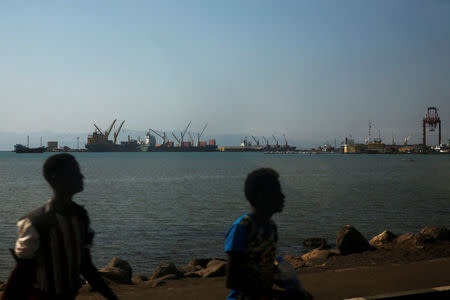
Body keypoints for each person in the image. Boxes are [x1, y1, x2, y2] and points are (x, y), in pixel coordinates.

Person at [2, 154, 118, 300]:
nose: (81, 177)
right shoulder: (37, 222)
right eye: (74, 173)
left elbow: (85, 265)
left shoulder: (80, 216)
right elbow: (21, 274)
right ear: (55, 178)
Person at [224, 168, 311, 300]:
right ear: (262, 196)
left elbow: (266, 268)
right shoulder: (242, 228)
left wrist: (293, 288)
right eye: (277, 192)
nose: (283, 196)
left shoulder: (271, 228)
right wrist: (281, 295)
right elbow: (233, 280)